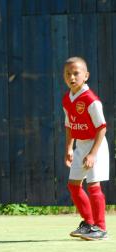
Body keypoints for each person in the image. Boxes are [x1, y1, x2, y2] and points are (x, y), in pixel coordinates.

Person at [62, 57, 109, 241]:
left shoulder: (91, 100)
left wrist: (92, 153)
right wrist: (69, 148)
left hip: (95, 145)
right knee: (73, 185)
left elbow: (102, 127)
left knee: (94, 185)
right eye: (68, 74)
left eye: (76, 73)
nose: (72, 77)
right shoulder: (67, 99)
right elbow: (69, 125)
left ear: (86, 76)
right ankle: (89, 223)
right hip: (80, 146)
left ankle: (101, 228)